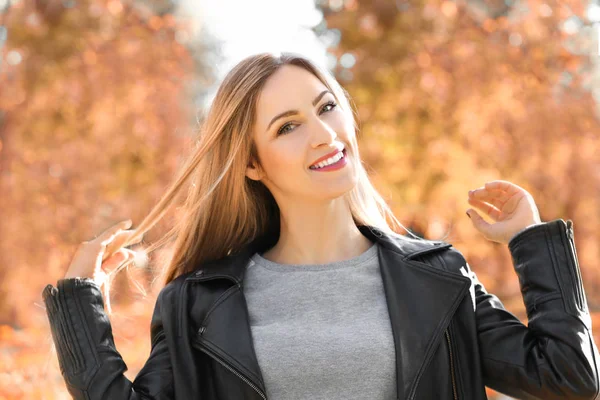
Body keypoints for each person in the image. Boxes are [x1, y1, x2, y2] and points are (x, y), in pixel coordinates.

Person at [42, 52, 600, 400]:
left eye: (326, 106)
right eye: (288, 126)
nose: (323, 134)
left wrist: (532, 242)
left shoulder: (439, 279)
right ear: (253, 164)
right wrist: (79, 300)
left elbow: (568, 378)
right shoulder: (198, 304)